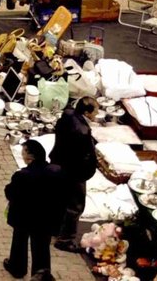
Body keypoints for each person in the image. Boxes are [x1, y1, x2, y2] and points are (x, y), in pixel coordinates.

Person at [4, 140, 63, 281]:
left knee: (19, 241)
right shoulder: (55, 172)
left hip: (23, 217)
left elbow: (10, 193)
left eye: (23, 152)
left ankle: (17, 267)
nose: (22, 155)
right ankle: (41, 273)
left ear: (30, 156)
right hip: (45, 218)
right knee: (41, 246)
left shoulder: (22, 175)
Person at [50, 96, 99, 251]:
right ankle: (65, 239)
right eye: (95, 111)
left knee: (59, 199)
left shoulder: (67, 116)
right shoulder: (82, 131)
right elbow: (84, 157)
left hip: (58, 163)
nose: (97, 114)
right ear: (87, 111)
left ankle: (55, 229)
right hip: (73, 171)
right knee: (75, 206)